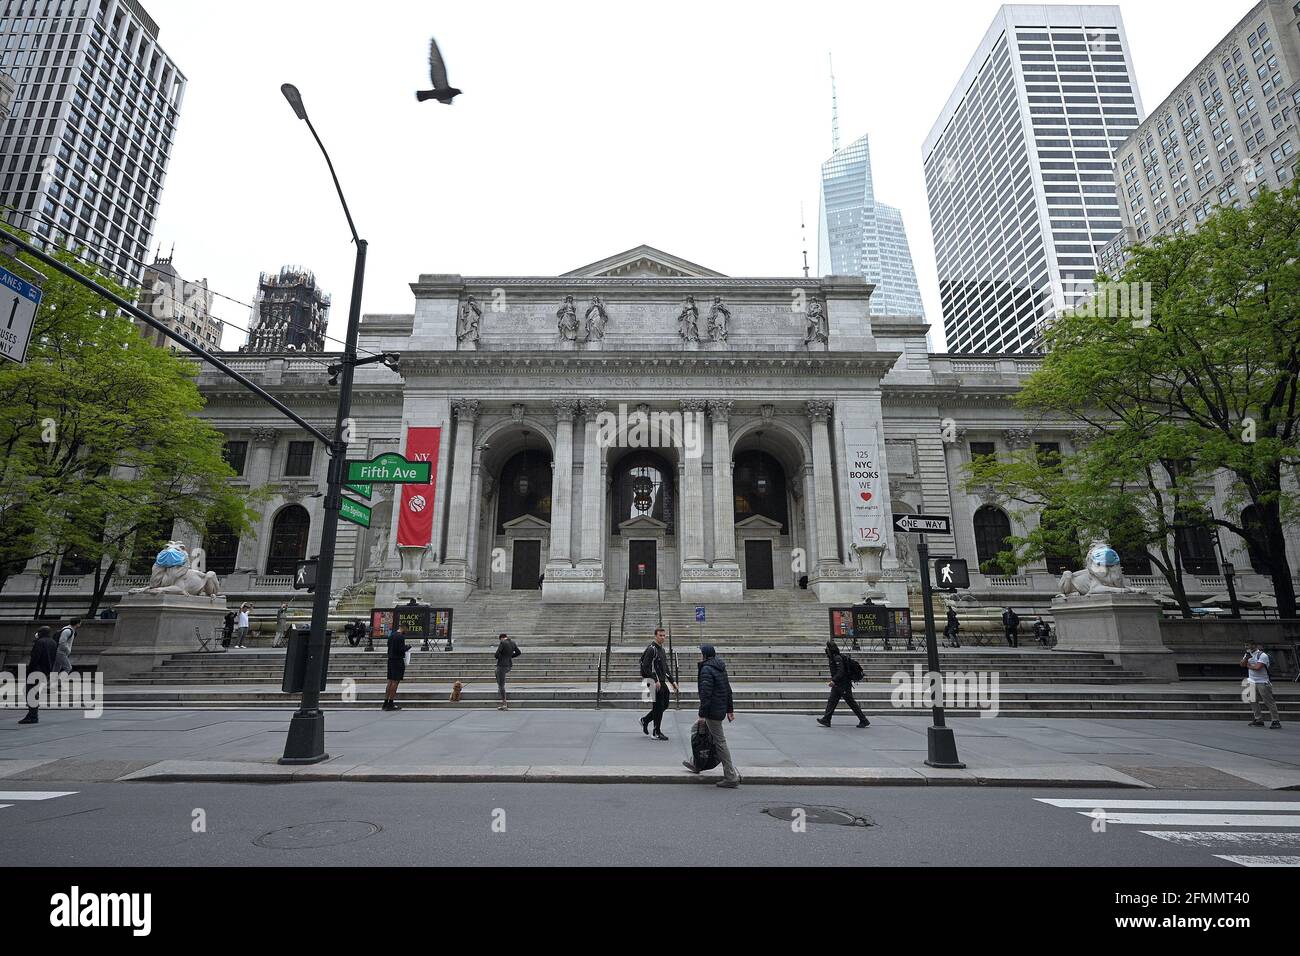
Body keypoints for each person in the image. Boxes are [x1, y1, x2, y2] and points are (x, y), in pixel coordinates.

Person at [681, 645, 741, 788]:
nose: (700, 656)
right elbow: (728, 689)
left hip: (712, 711)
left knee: (719, 742)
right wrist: (729, 709)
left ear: (705, 655)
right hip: (718, 708)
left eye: (701, 653)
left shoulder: (707, 669)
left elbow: (706, 694)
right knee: (696, 729)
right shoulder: (719, 666)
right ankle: (696, 763)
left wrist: (702, 714)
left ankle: (731, 776)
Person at [816, 640, 869, 728]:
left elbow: (841, 672)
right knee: (831, 701)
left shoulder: (837, 658)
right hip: (838, 685)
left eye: (827, 648)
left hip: (843, 685)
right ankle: (826, 719)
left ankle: (864, 720)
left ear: (830, 649)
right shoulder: (833, 658)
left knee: (851, 702)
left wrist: (834, 680)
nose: (826, 650)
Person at [639, 627, 678, 741]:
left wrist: (672, 681)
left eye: (664, 635)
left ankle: (645, 720)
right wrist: (654, 680)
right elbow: (646, 667)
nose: (662, 637)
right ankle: (656, 732)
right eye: (660, 635)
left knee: (664, 705)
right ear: (655, 636)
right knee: (658, 706)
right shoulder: (652, 649)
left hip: (661, 681)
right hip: (652, 682)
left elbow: (665, 667)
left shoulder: (662, 650)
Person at [19, 626, 59, 725]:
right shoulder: (53, 642)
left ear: (41, 633)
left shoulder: (40, 642)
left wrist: (29, 671)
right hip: (46, 671)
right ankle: (32, 713)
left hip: (36, 670)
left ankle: (33, 715)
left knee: (30, 692)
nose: (37, 633)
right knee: (33, 692)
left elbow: (35, 658)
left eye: (38, 632)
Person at [1242, 639, 1282, 728]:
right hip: (1251, 681)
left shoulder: (1262, 655)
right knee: (1252, 700)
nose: (1246, 647)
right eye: (1245, 645)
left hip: (1262, 682)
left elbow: (1258, 667)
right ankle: (1258, 719)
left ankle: (1275, 720)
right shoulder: (1247, 655)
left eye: (1247, 645)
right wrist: (1246, 659)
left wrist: (1248, 665)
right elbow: (1241, 664)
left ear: (1254, 645)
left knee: (1269, 701)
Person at [384, 624, 410, 711]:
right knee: (395, 682)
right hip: (397, 661)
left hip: (390, 660)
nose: (406, 632)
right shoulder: (400, 637)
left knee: (390, 681)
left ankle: (385, 702)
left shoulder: (392, 636)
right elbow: (401, 650)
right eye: (406, 630)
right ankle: (391, 703)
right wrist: (407, 647)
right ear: (404, 628)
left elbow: (389, 646)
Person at [494, 632, 522, 710]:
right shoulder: (513, 643)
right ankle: (500, 688)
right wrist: (509, 657)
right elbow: (518, 652)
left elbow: (496, 655)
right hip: (509, 665)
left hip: (502, 665)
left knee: (501, 685)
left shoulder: (502, 643)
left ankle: (504, 704)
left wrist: (501, 657)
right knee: (496, 671)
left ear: (501, 638)